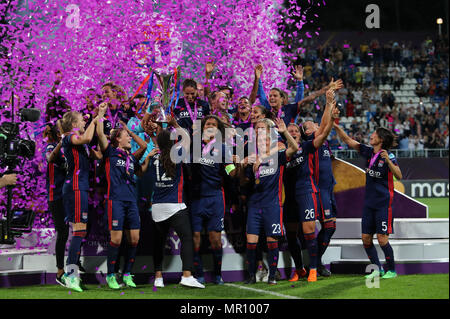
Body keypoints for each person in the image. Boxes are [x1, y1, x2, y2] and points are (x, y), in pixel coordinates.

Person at [333, 124, 402, 279]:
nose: (371, 136)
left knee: (382, 239)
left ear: (381, 140)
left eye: (374, 134)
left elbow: (399, 175)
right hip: (369, 203)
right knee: (366, 238)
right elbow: (348, 140)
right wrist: (335, 125)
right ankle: (378, 269)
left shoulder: (388, 156)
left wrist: (389, 162)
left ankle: (392, 270)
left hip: (383, 204)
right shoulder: (368, 152)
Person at [96, 103, 152, 289]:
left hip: (132, 202)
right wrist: (101, 115)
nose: (130, 138)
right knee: (117, 240)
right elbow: (101, 136)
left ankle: (127, 273)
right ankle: (111, 275)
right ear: (118, 140)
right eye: (127, 136)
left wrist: (129, 129)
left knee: (134, 239)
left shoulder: (131, 158)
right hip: (116, 201)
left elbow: (143, 145)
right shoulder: (110, 152)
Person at [286, 89, 339, 282]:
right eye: (308, 127)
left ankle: (313, 264)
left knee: (329, 227)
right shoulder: (308, 143)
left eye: (313, 124)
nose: (313, 127)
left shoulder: (323, 143)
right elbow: (325, 125)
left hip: (325, 190)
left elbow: (325, 126)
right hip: (308, 192)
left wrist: (330, 104)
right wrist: (328, 103)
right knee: (304, 231)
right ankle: (309, 266)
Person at [241, 117, 298, 285]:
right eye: (259, 139)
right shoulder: (253, 159)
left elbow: (294, 147)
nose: (262, 141)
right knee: (251, 243)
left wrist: (285, 132)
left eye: (265, 139)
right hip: (254, 205)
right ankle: (251, 276)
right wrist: (242, 166)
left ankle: (272, 275)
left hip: (272, 205)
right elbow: (244, 182)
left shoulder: (278, 156)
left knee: (272, 241)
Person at [150, 116, 205, 288]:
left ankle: (158, 278)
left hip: (157, 207)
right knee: (187, 239)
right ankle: (187, 276)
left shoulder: (153, 157)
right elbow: (187, 138)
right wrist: (175, 124)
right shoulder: (176, 154)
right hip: (175, 205)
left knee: (158, 243)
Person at [59, 106, 106, 292]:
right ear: (73, 124)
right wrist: (95, 120)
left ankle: (70, 273)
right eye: (81, 120)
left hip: (82, 188)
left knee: (80, 231)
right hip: (75, 187)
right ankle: (70, 275)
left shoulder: (84, 145)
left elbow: (100, 155)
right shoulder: (70, 137)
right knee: (79, 231)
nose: (84, 121)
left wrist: (100, 117)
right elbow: (86, 136)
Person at [190, 115, 239, 285]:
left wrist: (237, 165)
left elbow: (230, 172)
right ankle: (198, 274)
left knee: (215, 239)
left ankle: (218, 274)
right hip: (196, 198)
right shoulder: (193, 145)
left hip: (215, 198)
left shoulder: (223, 148)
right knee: (195, 238)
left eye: (214, 125)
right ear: (203, 127)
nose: (210, 126)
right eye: (208, 124)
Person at [44, 121, 69, 286]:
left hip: (66, 195)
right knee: (63, 232)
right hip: (56, 196)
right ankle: (60, 272)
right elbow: (49, 158)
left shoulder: (66, 150)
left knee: (68, 232)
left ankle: (69, 267)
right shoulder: (51, 148)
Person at [283, 123, 308, 282]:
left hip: (306, 197)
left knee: (308, 235)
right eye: (289, 131)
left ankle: (315, 267)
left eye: (295, 131)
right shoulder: (281, 153)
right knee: (291, 236)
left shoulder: (306, 148)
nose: (292, 133)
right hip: (290, 199)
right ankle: (299, 268)